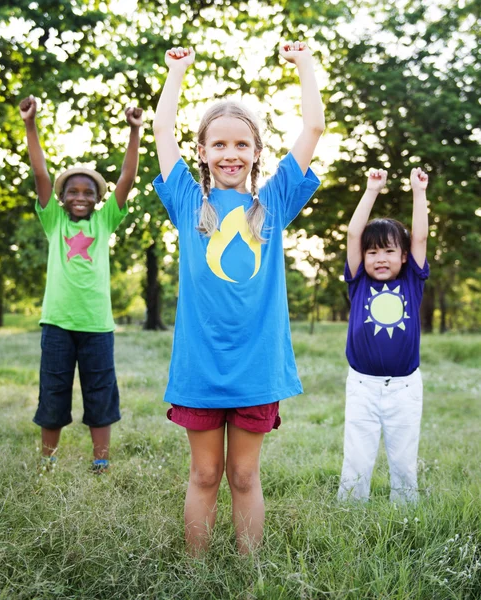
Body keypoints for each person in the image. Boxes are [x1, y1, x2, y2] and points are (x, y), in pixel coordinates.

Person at [152, 41, 324, 554]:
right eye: (219, 145)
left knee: (245, 477)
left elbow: (313, 128)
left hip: (256, 366)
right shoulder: (186, 201)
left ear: (256, 153)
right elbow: (163, 130)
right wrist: (177, 73)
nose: (231, 154)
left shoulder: (272, 202)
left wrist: (305, 66)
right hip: (200, 367)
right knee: (204, 474)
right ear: (202, 152)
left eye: (242, 145)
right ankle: (195, 571)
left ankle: (249, 573)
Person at [19, 95, 143, 473]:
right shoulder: (53, 222)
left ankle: (101, 462)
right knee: (53, 395)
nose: (80, 196)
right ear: (60, 198)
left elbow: (127, 178)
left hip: (97, 326)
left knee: (100, 394)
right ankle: (48, 462)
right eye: (72, 191)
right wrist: (29, 124)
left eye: (88, 192)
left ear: (98, 200)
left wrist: (135, 131)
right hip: (57, 324)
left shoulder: (103, 223)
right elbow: (40, 172)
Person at [338, 167, 429, 503]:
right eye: (372, 252)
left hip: (405, 387)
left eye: (389, 251)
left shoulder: (411, 281)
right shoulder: (358, 280)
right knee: (357, 458)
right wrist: (371, 190)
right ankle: (348, 517)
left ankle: (405, 517)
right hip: (362, 385)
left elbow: (419, 237)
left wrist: (418, 193)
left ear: (404, 257)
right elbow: (352, 235)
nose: (380, 258)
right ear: (363, 258)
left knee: (404, 460)